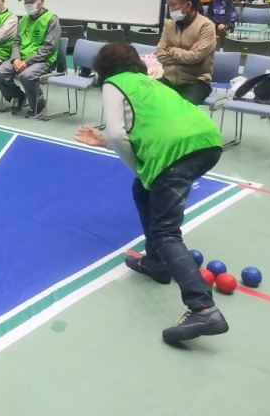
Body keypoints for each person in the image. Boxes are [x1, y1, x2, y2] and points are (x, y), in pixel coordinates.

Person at [74, 42, 228, 343]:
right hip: (208, 143)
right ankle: (156, 262)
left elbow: (120, 134)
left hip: (176, 154)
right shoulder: (152, 83)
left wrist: (139, 170)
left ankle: (204, 309)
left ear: (103, 69)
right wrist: (106, 142)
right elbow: (148, 127)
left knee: (166, 230)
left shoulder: (113, 84)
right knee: (142, 191)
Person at [0, 0, 60, 117]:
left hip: (43, 61)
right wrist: (16, 58)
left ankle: (38, 104)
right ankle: (18, 96)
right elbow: (16, 42)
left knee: (27, 75)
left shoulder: (52, 20)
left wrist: (27, 62)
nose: (27, 5)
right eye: (25, 2)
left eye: (31, 1)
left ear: (42, 2)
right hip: (21, 59)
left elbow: (48, 48)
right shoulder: (23, 20)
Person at [156, 0, 216, 105]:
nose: (170, 9)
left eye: (174, 5)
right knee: (145, 99)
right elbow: (160, 55)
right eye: (169, 6)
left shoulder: (206, 26)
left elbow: (195, 57)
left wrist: (171, 50)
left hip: (195, 83)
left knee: (181, 109)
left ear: (188, 5)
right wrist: (186, 54)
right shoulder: (169, 25)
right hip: (169, 80)